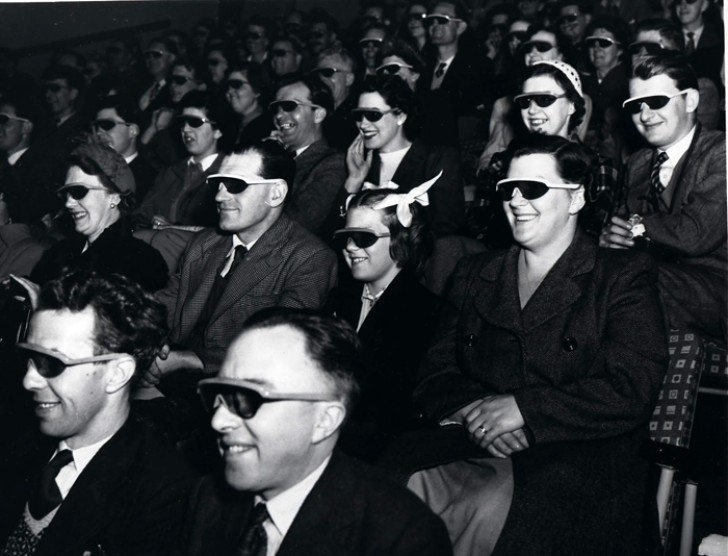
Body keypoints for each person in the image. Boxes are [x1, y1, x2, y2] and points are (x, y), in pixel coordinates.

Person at [405, 134, 666, 555]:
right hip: (472, 440)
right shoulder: (474, 272)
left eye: (535, 188)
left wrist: (525, 410)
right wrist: (482, 414)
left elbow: (631, 386)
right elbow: (434, 374)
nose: (517, 201)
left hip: (579, 457)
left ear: (576, 198)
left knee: (495, 512)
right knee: (390, 485)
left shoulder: (622, 275)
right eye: (509, 189)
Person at [171, 308, 453, 556]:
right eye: (219, 395)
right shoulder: (208, 498)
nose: (219, 421)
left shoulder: (403, 540)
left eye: (247, 398)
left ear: (325, 421)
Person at [0, 270, 195, 556]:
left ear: (117, 373)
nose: (29, 380)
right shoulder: (15, 438)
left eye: (51, 362)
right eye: (29, 357)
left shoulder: (164, 493)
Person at [151, 142, 338, 389]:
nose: (219, 196)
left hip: (238, 390)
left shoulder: (309, 259)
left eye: (236, 185)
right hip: (168, 378)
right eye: (218, 183)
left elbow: (278, 346)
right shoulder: (205, 243)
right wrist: (150, 341)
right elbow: (166, 304)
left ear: (276, 193)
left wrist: (189, 360)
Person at [600, 51, 726, 340]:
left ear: (690, 100)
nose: (645, 115)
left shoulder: (721, 152)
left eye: (657, 102)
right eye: (635, 106)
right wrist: (610, 238)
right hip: (656, 285)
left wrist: (636, 227)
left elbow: (695, 233)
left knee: (632, 277)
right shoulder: (637, 163)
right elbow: (621, 231)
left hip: (718, 293)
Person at [331, 179, 440, 461]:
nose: (351, 247)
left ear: (400, 240)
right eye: (346, 237)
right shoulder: (339, 299)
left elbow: (389, 409)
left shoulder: (425, 312)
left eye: (364, 238)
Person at [25, 141, 167, 294]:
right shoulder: (61, 252)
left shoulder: (139, 261)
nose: (68, 203)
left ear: (114, 196)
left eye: (78, 191)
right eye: (66, 193)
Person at [344, 74, 465, 236]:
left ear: (400, 116)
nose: (364, 124)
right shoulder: (359, 164)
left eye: (373, 115)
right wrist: (353, 182)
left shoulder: (437, 160)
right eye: (359, 116)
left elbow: (447, 232)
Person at [133, 90, 225, 229]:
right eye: (183, 122)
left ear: (217, 131)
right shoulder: (171, 172)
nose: (186, 129)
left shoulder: (226, 173)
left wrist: (175, 230)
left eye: (195, 122)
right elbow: (141, 215)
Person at [270, 75, 346, 237]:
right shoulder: (278, 158)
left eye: (289, 106)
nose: (279, 115)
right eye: (276, 108)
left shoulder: (333, 163)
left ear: (317, 114)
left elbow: (299, 223)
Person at [93, 95, 158, 203]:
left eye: (106, 125)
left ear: (132, 130)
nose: (99, 133)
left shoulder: (149, 179)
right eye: (96, 127)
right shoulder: (90, 169)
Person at [225, 61, 274, 152]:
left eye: (236, 85)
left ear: (256, 90)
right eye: (228, 86)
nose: (229, 92)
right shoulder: (228, 126)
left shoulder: (267, 128)